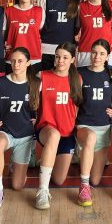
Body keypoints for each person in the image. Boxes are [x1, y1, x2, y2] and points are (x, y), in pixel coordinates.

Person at [33, 42, 82, 210]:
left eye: (65, 57)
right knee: (53, 136)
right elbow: (31, 101)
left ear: (73, 60)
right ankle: (42, 191)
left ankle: (48, 159)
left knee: (59, 180)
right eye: (57, 56)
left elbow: (76, 107)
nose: (60, 60)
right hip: (46, 129)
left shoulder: (77, 79)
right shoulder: (43, 76)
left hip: (67, 134)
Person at [0, 47, 37, 209]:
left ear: (28, 63)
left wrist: (38, 118)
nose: (16, 64)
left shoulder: (35, 84)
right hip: (5, 131)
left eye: (20, 61)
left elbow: (42, 108)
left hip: (25, 135)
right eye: (13, 61)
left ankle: (14, 166)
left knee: (17, 185)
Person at [76, 39, 112, 206]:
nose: (97, 57)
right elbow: (73, 100)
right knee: (90, 138)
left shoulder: (111, 74)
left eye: (101, 53)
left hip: (104, 127)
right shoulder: (80, 73)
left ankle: (85, 160)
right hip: (85, 125)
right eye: (94, 52)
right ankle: (83, 186)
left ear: (107, 56)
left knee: (96, 180)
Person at [39, 0, 82, 71]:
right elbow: (40, 24)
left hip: (68, 50)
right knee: (47, 79)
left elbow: (79, 24)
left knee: (65, 80)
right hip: (47, 48)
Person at [4, 0, 45, 73]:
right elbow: (3, 34)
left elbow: (42, 33)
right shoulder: (8, 11)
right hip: (13, 59)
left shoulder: (39, 11)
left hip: (33, 58)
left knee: (33, 82)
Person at [77, 0, 112, 68]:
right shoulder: (81, 7)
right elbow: (75, 30)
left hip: (106, 52)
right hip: (86, 52)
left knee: (107, 77)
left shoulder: (111, 5)